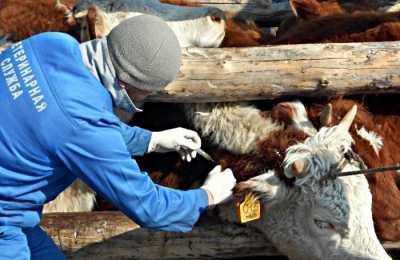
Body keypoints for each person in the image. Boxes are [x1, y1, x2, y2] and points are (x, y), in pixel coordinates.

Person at [0, 15, 236, 260]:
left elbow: (62, 122)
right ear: (126, 84)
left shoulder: (52, 43)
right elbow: (149, 207)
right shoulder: (85, 126)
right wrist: (207, 196)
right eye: (146, 94)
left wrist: (152, 140)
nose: (142, 100)